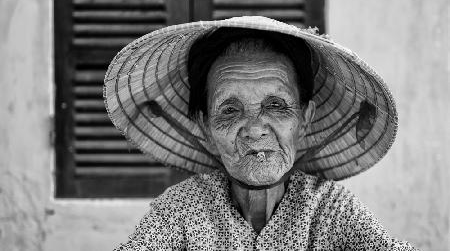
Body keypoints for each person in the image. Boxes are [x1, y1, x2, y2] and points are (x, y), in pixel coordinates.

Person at [104, 16, 418, 250]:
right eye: (230, 110)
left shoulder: (329, 208)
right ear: (205, 128)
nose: (255, 129)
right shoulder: (183, 209)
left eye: (276, 105)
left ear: (305, 120)